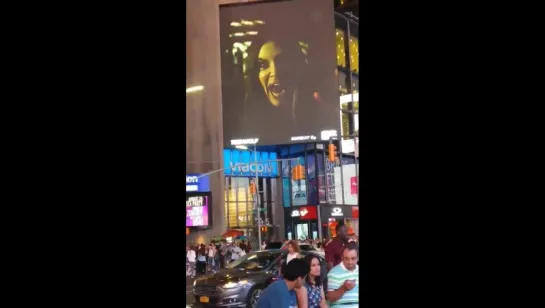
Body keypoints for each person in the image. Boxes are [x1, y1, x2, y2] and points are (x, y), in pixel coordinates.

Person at [326, 243, 359, 307]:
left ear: (358, 258)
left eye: (353, 258)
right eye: (347, 258)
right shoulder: (333, 273)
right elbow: (331, 298)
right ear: (342, 257)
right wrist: (344, 288)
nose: (350, 262)